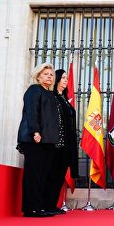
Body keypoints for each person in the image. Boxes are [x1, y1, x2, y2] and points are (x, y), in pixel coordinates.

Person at [17, 63, 62, 217]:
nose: (49, 76)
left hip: (48, 141)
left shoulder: (50, 94)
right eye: (45, 74)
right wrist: (35, 131)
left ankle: (40, 206)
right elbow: (31, 112)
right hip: (34, 139)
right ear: (38, 76)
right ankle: (31, 209)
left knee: (43, 175)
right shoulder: (34, 90)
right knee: (34, 175)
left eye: (51, 75)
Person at [43, 69, 79, 215]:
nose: (65, 80)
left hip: (66, 144)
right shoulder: (52, 97)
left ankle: (52, 205)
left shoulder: (64, 98)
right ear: (57, 79)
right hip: (56, 143)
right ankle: (45, 205)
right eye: (63, 78)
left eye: (66, 78)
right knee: (51, 175)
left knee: (59, 175)